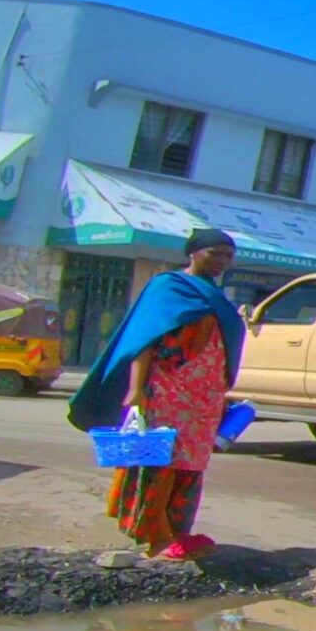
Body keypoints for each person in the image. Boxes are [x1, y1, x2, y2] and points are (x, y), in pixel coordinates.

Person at [68, 229, 246, 560]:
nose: (222, 261)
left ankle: (179, 532)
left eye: (228, 256)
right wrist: (135, 391)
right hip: (167, 391)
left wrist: (220, 393)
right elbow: (143, 341)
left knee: (190, 464)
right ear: (192, 253)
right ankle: (156, 536)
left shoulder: (217, 297)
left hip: (204, 399)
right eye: (215, 253)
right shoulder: (168, 288)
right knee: (159, 459)